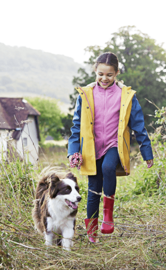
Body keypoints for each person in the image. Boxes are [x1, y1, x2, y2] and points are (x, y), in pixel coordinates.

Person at [68, 52, 154, 243]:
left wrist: (146, 151)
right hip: (91, 147)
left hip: (113, 144)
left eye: (109, 75)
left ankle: (108, 216)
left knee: (108, 168)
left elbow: (139, 126)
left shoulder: (126, 96)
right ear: (95, 72)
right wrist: (73, 151)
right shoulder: (86, 94)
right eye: (100, 74)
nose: (104, 78)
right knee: (93, 189)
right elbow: (76, 126)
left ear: (116, 74)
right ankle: (92, 232)